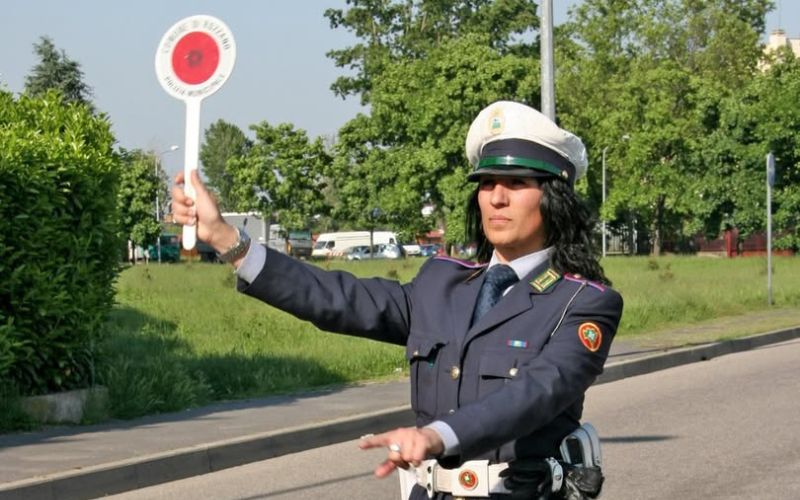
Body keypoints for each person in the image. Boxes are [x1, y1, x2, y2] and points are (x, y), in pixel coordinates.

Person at [171, 100, 623, 499]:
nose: (497, 198)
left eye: (517, 183)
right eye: (487, 183)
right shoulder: (443, 281)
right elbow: (339, 299)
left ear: (554, 198)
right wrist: (228, 240)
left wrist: (437, 436)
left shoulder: (583, 303)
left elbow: (536, 393)